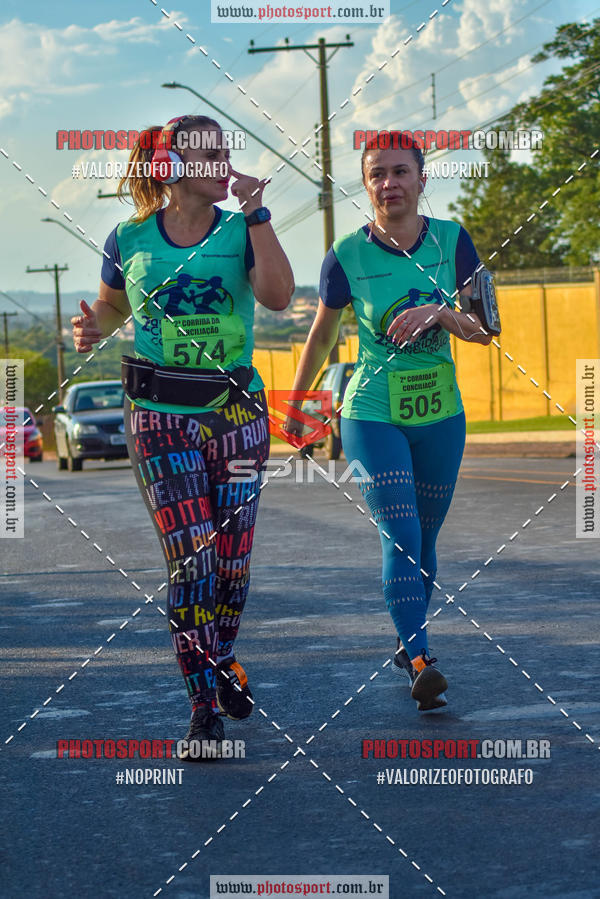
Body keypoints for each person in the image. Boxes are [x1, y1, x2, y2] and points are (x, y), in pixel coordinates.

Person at [71, 115, 294, 757]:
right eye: (210, 151)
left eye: (227, 148)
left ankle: (221, 657)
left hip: (236, 414)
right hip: (159, 412)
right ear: (173, 164)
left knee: (233, 560)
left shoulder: (241, 229)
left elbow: (278, 298)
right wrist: (97, 327)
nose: (224, 159)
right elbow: (114, 305)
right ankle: (202, 706)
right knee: (192, 556)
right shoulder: (130, 236)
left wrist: (259, 214)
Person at [287, 136, 495, 712]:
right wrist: (300, 404)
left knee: (426, 545)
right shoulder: (346, 254)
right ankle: (423, 659)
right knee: (401, 539)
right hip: (371, 414)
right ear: (368, 184)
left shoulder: (453, 242)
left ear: (422, 179)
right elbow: (323, 333)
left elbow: (485, 327)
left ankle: (409, 642)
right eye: (377, 174)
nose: (389, 183)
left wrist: (441, 312)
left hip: (440, 415)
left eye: (400, 172)